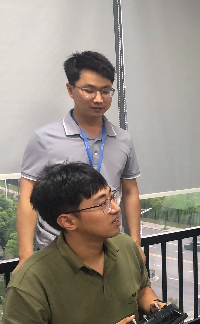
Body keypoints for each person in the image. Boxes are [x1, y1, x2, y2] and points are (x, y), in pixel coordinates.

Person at [2, 162, 163, 324]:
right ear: (68, 221)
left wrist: (155, 306)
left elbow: (140, 289)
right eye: (102, 204)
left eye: (111, 197)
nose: (115, 208)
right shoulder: (31, 280)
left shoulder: (125, 245)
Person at [17, 51, 142, 267]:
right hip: (57, 250)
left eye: (106, 91)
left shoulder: (123, 139)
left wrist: (135, 243)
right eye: (89, 90)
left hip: (111, 246)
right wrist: (25, 255)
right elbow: (28, 197)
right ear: (70, 89)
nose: (99, 99)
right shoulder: (44, 138)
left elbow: (130, 191)